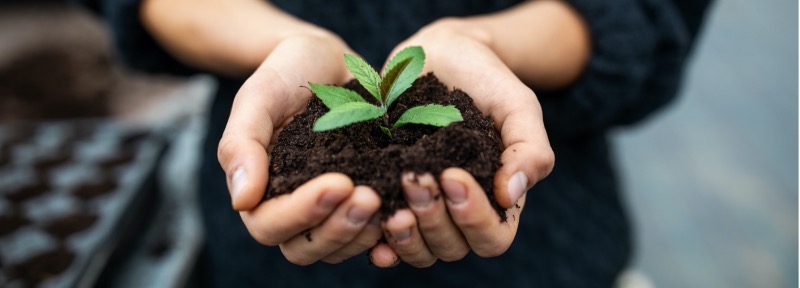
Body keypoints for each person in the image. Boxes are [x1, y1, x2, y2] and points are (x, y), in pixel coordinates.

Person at [83, 0, 710, 286]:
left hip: (553, 254)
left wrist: (490, 44)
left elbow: (649, 14)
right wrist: (276, 43)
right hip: (258, 270)